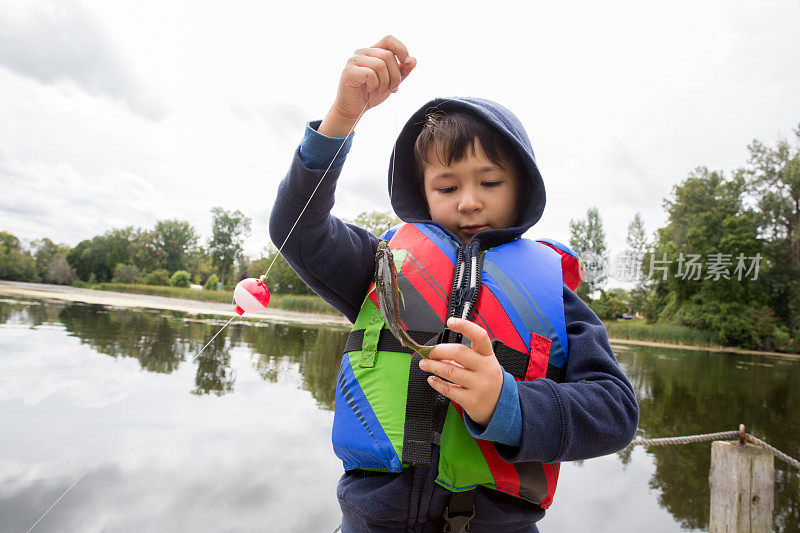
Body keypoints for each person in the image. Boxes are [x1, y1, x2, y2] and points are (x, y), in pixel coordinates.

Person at [269, 35, 639, 532]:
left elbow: (615, 411)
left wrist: (504, 403)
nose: (468, 201)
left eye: (489, 182)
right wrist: (342, 115)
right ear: (422, 192)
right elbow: (296, 225)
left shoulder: (555, 296)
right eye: (447, 186)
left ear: (522, 187)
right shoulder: (379, 266)